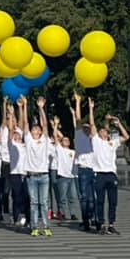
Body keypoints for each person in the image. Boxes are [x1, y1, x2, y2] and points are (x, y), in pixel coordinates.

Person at [88, 98, 129, 235]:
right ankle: (101, 224)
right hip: (99, 174)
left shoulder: (113, 142)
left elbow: (126, 136)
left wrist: (119, 124)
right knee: (99, 201)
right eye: (100, 131)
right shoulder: (96, 142)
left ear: (108, 133)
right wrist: (91, 108)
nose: (103, 132)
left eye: (105, 131)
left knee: (113, 201)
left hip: (111, 175)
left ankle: (111, 224)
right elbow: (92, 125)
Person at [21, 96, 51, 237]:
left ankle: (45, 226)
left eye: (37, 129)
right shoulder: (28, 140)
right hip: (32, 176)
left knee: (44, 203)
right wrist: (25, 105)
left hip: (44, 175)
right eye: (34, 129)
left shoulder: (44, 140)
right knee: (34, 202)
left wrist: (41, 108)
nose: (35, 130)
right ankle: (34, 227)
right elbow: (25, 124)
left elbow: (45, 125)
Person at [72, 93, 97, 232]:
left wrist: (91, 109)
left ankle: (93, 217)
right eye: (85, 127)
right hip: (83, 170)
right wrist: (78, 102)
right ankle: (86, 220)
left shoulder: (94, 139)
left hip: (94, 170)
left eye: (88, 127)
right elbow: (78, 119)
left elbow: (93, 124)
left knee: (93, 197)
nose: (87, 128)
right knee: (84, 197)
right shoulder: (79, 135)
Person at [5, 101, 29, 229]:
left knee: (25, 196)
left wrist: (21, 108)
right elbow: (10, 129)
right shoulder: (11, 145)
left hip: (25, 172)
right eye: (14, 134)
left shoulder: (25, 144)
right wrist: (10, 115)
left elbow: (23, 123)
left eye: (18, 134)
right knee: (16, 195)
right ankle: (16, 217)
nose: (16, 134)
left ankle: (26, 217)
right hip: (14, 172)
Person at [51, 116, 78, 221]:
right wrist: (55, 125)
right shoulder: (60, 150)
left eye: (67, 140)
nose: (66, 141)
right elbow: (55, 136)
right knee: (62, 198)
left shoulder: (73, 152)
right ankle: (62, 213)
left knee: (72, 197)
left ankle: (72, 213)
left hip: (71, 177)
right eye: (64, 140)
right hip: (62, 176)